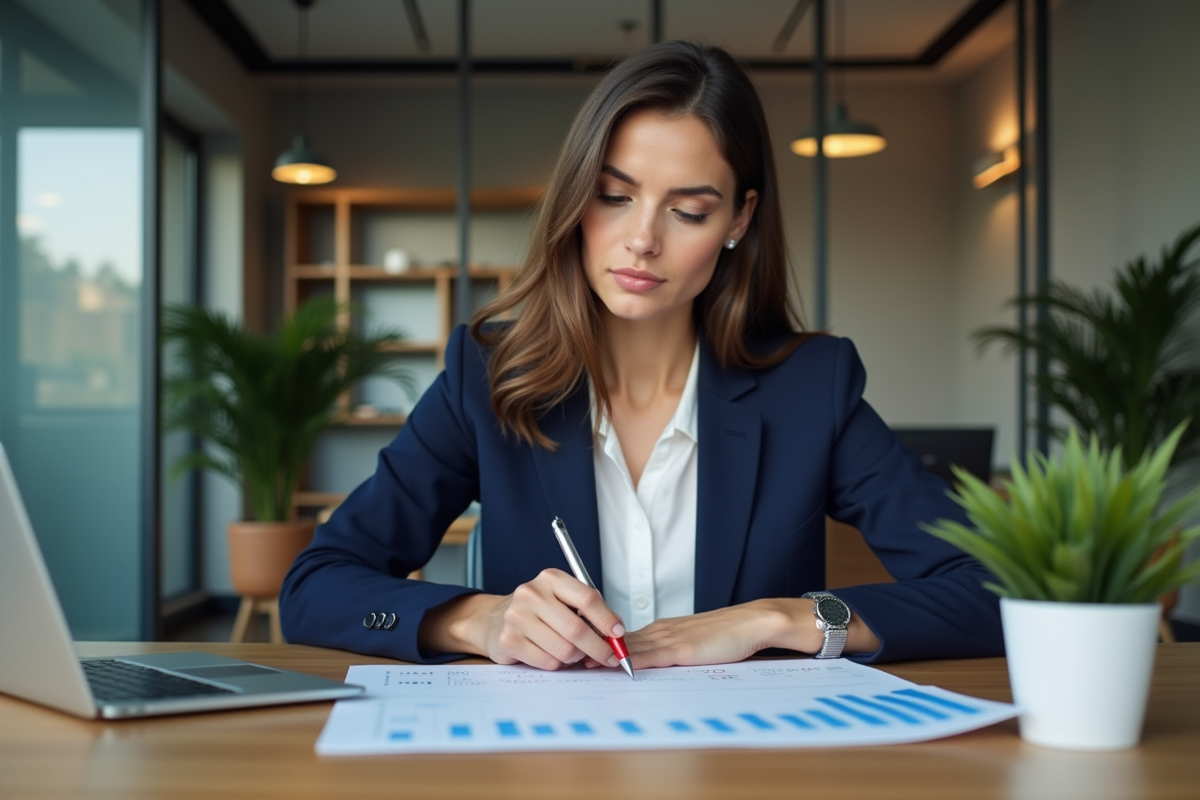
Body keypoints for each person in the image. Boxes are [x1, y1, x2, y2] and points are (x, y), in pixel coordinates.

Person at [279, 41, 1003, 670]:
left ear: (739, 219)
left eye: (688, 210)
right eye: (614, 196)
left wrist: (779, 620)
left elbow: (999, 590)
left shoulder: (811, 389)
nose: (642, 239)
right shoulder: (487, 376)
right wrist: (478, 620)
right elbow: (315, 586)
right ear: (574, 200)